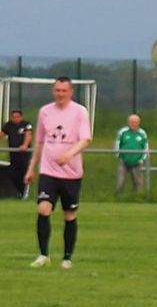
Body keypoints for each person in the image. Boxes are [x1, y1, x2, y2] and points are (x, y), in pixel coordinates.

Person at [24, 77, 92, 269]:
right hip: (48, 171)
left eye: (64, 90)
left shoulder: (80, 112)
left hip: (71, 173)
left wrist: (69, 154)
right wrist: (31, 168)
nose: (60, 94)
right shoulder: (45, 112)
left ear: (70, 92)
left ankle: (67, 258)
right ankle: (43, 255)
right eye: (57, 90)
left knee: (69, 214)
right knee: (43, 208)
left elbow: (86, 139)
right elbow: (39, 142)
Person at [114, 113, 150, 194]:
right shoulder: (122, 132)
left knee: (138, 182)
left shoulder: (142, 133)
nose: (134, 124)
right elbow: (117, 144)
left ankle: (138, 198)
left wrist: (142, 159)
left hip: (137, 161)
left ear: (139, 123)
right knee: (120, 181)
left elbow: (146, 147)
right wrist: (119, 156)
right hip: (124, 160)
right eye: (132, 122)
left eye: (136, 122)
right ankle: (118, 197)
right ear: (129, 122)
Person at [3, 106, 32, 199]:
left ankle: (25, 193)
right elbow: (2, 134)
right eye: (13, 117)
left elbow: (28, 135)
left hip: (24, 156)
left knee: (24, 173)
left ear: (21, 117)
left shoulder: (26, 125)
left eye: (17, 117)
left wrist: (25, 145)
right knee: (12, 174)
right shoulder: (8, 125)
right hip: (13, 155)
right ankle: (20, 192)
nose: (15, 119)